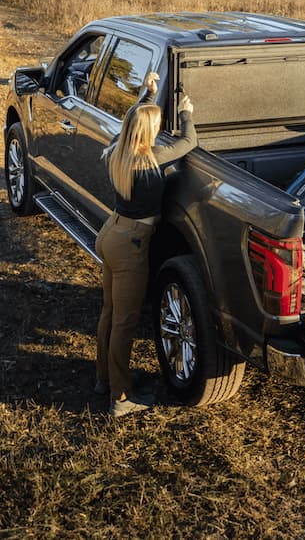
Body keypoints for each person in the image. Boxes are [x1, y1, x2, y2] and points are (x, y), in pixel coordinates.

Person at [94, 72, 197, 417]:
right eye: (155, 127)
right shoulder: (152, 159)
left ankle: (103, 379)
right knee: (125, 322)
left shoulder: (117, 152)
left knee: (110, 313)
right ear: (148, 134)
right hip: (131, 245)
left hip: (111, 234)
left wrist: (146, 95)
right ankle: (121, 398)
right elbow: (189, 142)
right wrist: (186, 112)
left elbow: (129, 124)